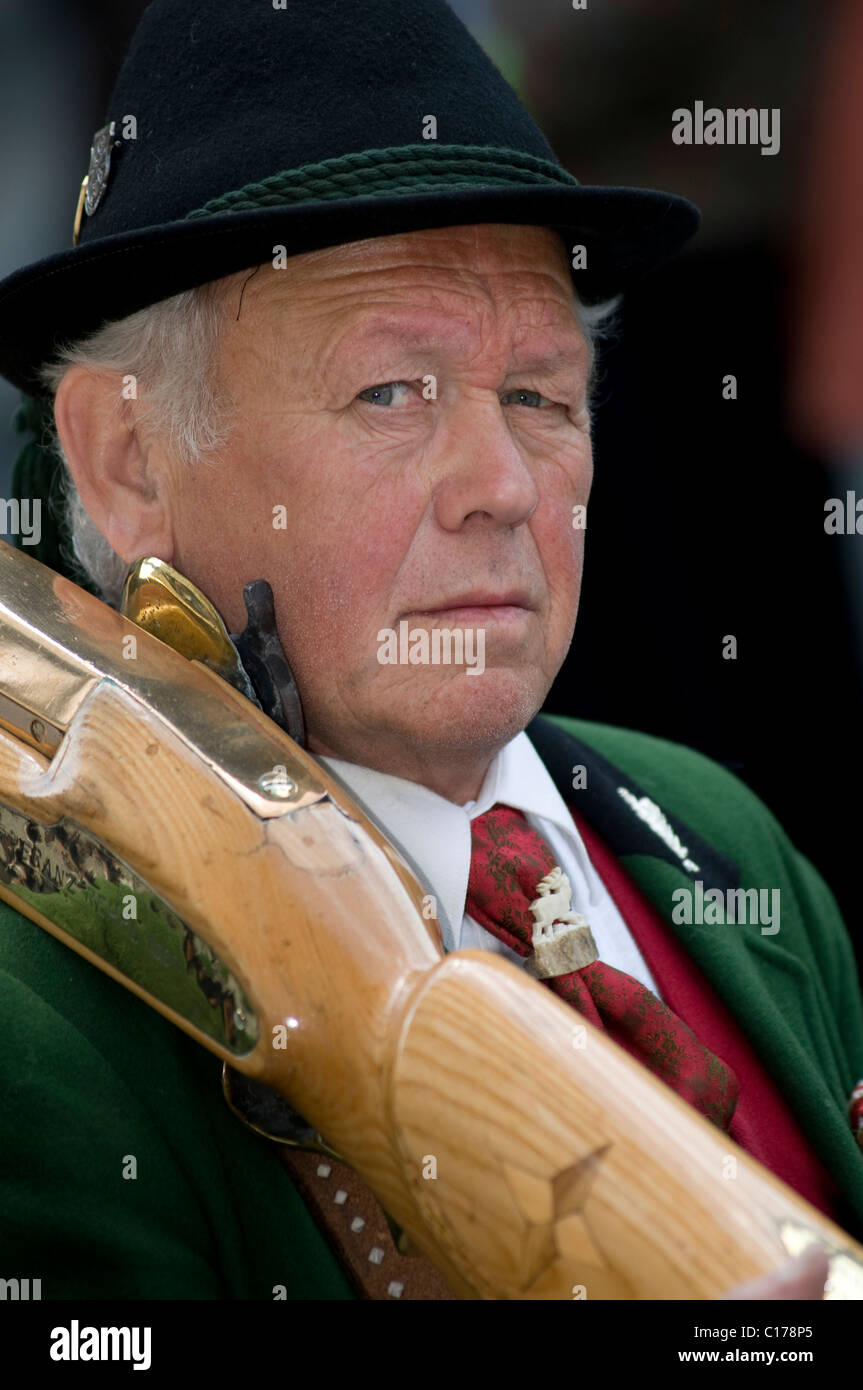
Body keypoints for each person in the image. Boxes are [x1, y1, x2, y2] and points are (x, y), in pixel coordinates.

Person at [0, 0, 860, 1301]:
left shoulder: (723, 838)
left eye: (539, 394)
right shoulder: (37, 1022)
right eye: (392, 392)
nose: (503, 484)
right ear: (127, 461)